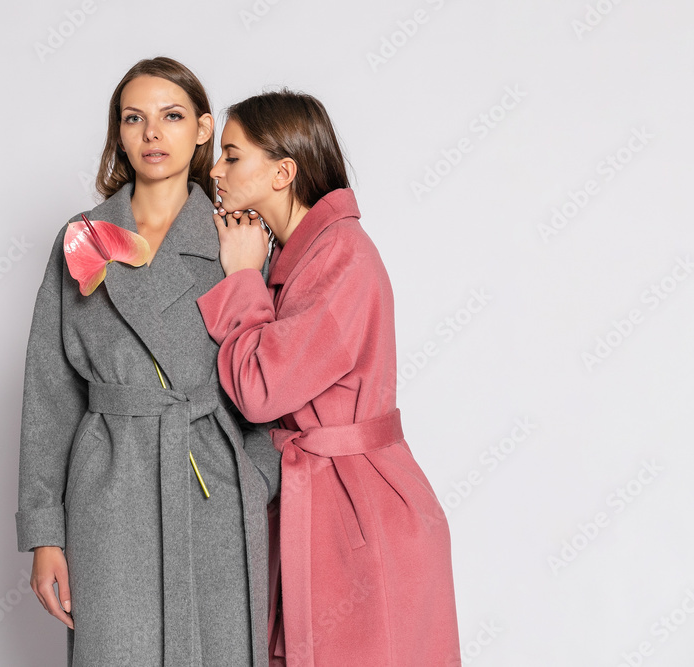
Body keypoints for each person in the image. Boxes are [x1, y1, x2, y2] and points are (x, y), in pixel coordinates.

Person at [16, 57, 281, 666]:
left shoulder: (235, 239)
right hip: (111, 487)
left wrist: (255, 481)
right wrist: (44, 534)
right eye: (134, 118)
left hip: (212, 485)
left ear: (204, 129)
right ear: (119, 132)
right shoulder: (82, 238)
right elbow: (49, 391)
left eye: (172, 116)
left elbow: (267, 372)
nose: (153, 133)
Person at [196, 90, 461, 666]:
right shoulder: (304, 254)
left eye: (232, 156)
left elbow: (261, 388)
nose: (215, 168)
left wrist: (241, 276)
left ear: (282, 172)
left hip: (361, 515)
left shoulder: (341, 255)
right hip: (324, 502)